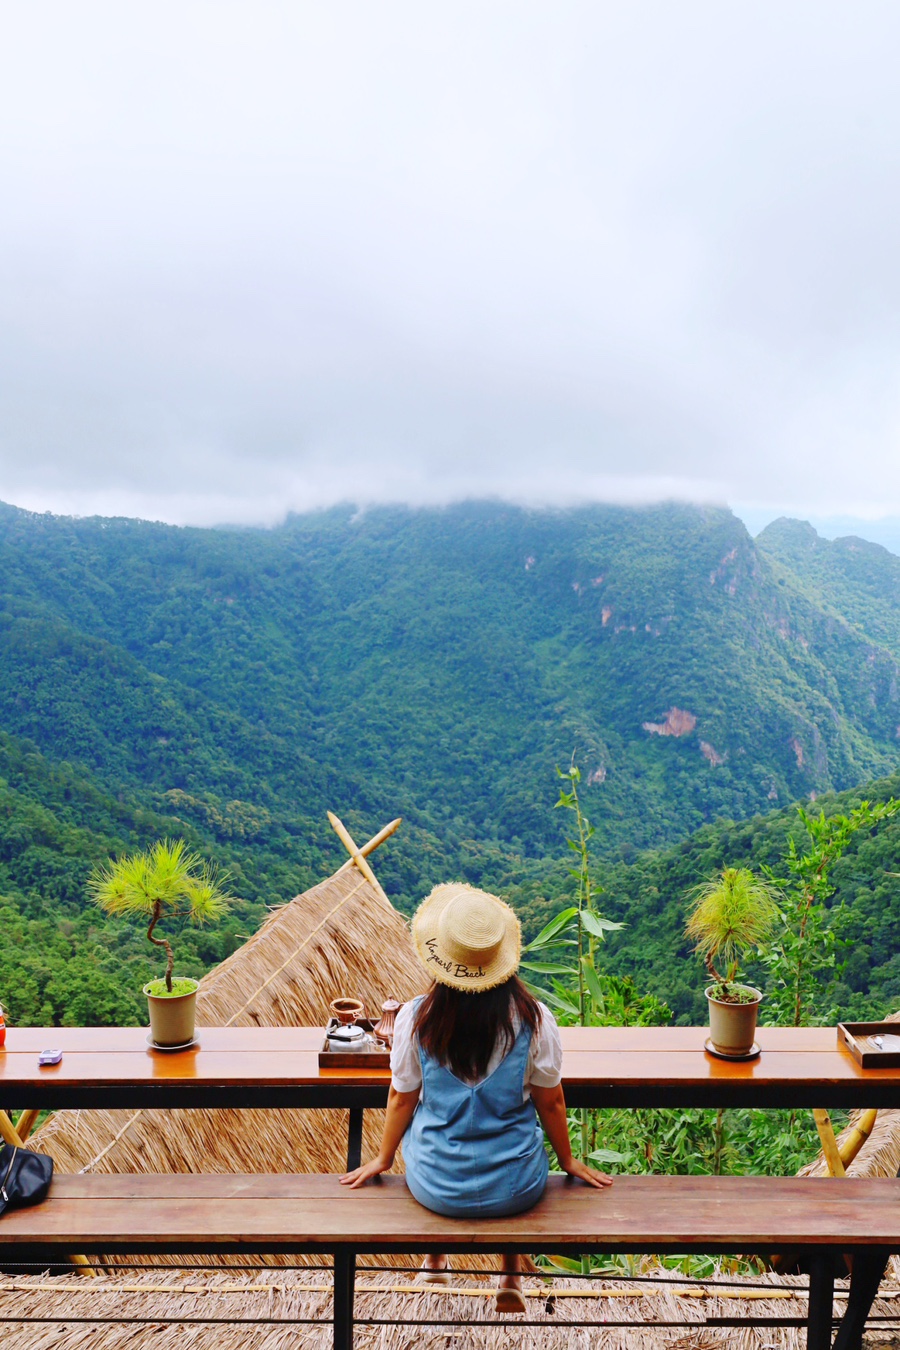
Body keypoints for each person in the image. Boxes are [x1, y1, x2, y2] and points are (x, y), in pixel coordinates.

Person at [340, 882, 613, 1313]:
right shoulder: (535, 1020)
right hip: (516, 1188)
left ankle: (434, 1258)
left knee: (424, 1127)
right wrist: (567, 1160)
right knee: (514, 1135)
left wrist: (383, 1158)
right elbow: (550, 1103)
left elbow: (401, 1098)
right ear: (502, 961)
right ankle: (509, 1273)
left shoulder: (416, 1019)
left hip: (436, 1187)